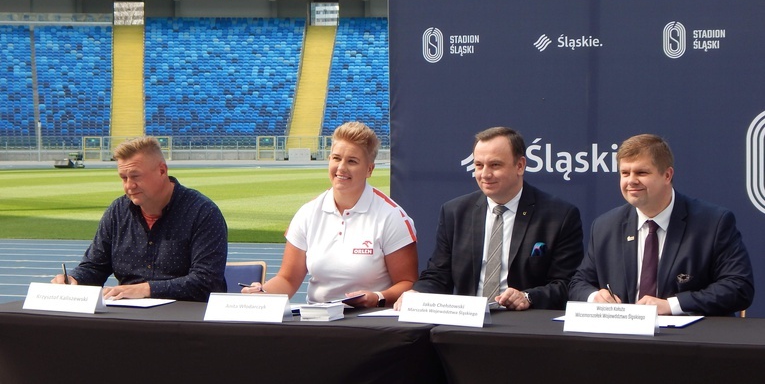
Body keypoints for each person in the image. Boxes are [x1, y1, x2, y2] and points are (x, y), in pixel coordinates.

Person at [395, 126, 583, 311]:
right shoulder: (454, 212)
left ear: (520, 165)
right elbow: (438, 275)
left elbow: (567, 285)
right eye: (479, 165)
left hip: (526, 326)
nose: (485, 174)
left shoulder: (559, 216)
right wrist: (418, 293)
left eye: (495, 165)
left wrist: (528, 297)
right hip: (466, 324)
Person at [569, 134, 754, 316]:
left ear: (667, 175)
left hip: (688, 340)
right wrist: (594, 297)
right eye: (625, 173)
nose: (631, 180)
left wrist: (671, 305)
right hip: (621, 341)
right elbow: (579, 283)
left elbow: (738, 287)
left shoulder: (713, 223)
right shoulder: (604, 226)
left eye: (641, 172)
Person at [242, 122, 418, 308]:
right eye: (336, 158)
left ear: (369, 169)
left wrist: (377, 297)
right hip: (317, 319)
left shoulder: (392, 217)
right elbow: (287, 279)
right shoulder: (308, 213)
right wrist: (262, 293)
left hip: (369, 323)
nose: (341, 167)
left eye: (352, 161)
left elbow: (408, 283)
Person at [51, 136, 228, 302]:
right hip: (130, 319)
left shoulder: (202, 212)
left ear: (162, 171)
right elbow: (95, 266)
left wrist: (146, 290)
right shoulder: (118, 212)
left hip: (187, 323)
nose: (129, 186)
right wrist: (74, 280)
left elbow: (206, 282)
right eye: (123, 178)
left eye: (135, 176)